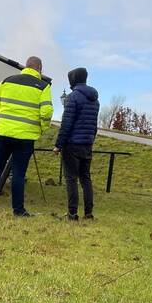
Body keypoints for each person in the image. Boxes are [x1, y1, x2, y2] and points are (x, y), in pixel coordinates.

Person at [0, 56, 54, 216]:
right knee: (19, 173)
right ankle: (18, 210)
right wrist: (41, 128)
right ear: (40, 69)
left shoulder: (7, 81)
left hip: (3, 133)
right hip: (25, 137)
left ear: (26, 66)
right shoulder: (43, 87)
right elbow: (46, 111)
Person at [54, 67, 100, 220]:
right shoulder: (95, 99)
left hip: (72, 144)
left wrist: (58, 144)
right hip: (87, 144)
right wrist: (90, 140)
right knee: (85, 178)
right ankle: (88, 213)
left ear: (72, 80)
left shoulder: (72, 98)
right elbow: (94, 126)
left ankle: (72, 213)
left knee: (71, 178)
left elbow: (66, 124)